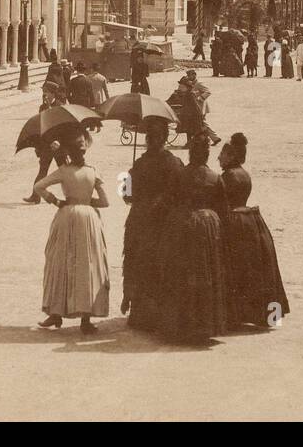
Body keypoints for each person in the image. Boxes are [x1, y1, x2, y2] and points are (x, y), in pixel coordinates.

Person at [33, 124, 110, 334]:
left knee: (60, 262)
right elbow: (104, 202)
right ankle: (86, 318)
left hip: (66, 216)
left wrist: (56, 201)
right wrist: (87, 201)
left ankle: (56, 313)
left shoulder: (64, 171)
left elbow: (38, 186)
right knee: (87, 264)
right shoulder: (93, 171)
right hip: (89, 219)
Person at [155, 134, 229, 343]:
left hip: (182, 226)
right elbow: (222, 208)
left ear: (190, 153)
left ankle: (180, 325)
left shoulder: (180, 175)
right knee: (206, 272)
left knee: (181, 273)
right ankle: (205, 325)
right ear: (207, 154)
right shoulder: (215, 177)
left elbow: (168, 199)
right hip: (207, 228)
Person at [219, 133, 290, 328]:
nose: (219, 158)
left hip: (233, 224)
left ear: (231, 156)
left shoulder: (228, 176)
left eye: (222, 154)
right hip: (250, 221)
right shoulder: (244, 174)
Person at [121, 117, 185, 330]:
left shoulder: (139, 164)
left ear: (149, 139)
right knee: (161, 264)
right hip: (163, 222)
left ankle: (140, 314)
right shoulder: (175, 163)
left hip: (139, 220)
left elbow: (126, 197)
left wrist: (128, 182)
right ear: (165, 139)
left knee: (139, 263)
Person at [24, 134, 69, 204]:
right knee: (43, 172)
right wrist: (38, 147)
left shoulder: (50, 123)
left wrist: (59, 141)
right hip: (48, 148)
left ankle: (74, 195)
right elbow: (40, 133)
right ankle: (35, 196)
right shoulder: (45, 123)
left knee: (66, 172)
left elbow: (67, 132)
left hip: (58, 149)